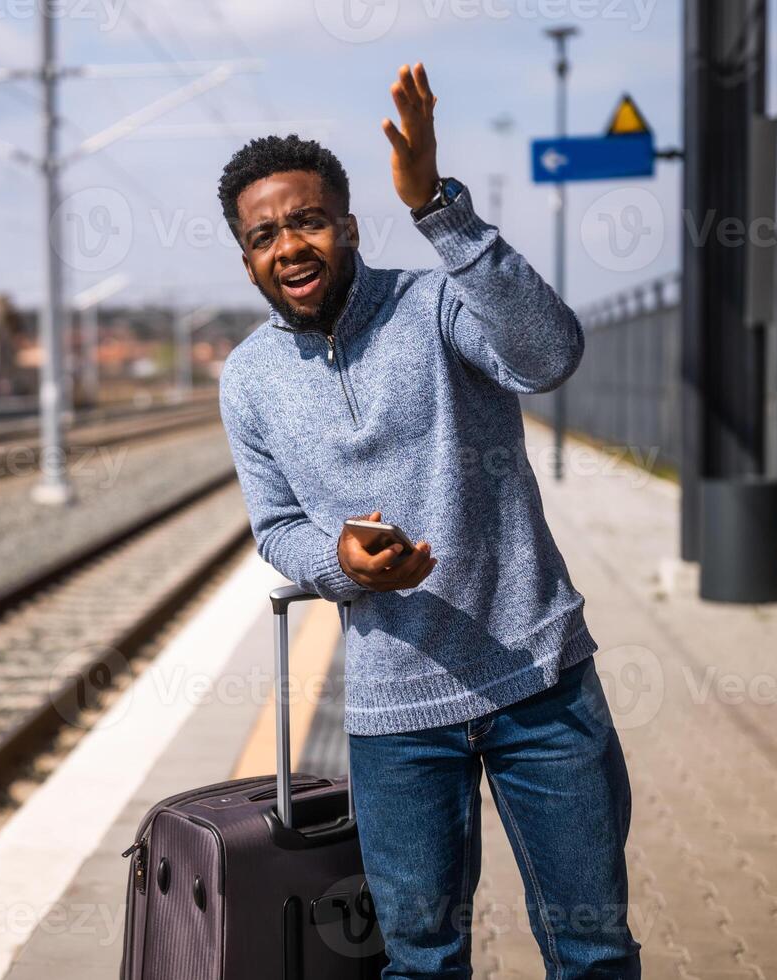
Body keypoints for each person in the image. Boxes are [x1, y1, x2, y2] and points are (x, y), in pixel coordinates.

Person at [216, 62, 641, 978]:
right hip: (395, 712)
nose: (288, 245)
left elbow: (549, 355)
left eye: (307, 220)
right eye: (263, 235)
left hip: (539, 681)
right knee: (420, 964)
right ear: (245, 256)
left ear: (349, 224)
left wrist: (441, 210)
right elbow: (275, 527)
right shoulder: (247, 379)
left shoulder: (435, 302)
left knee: (593, 951)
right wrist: (336, 559)